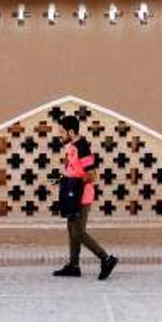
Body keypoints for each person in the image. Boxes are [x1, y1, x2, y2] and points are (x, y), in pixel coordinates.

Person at [53, 115, 119, 280]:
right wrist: (64, 179)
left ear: (71, 131)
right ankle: (74, 266)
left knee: (79, 232)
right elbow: (74, 170)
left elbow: (92, 175)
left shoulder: (82, 147)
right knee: (71, 229)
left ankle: (106, 259)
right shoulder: (71, 147)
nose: (60, 136)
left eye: (62, 133)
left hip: (81, 196)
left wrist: (72, 181)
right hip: (71, 195)